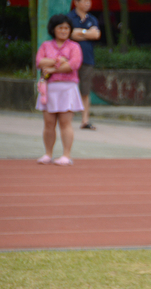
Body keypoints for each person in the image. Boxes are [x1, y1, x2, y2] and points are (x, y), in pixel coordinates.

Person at [35, 14, 83, 166]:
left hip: (67, 88)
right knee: (48, 123)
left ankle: (66, 155)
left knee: (65, 122)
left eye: (66, 28)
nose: (63, 31)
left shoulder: (74, 46)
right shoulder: (45, 45)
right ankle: (48, 154)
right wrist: (58, 61)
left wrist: (51, 69)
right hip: (49, 89)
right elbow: (39, 61)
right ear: (53, 29)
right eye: (60, 28)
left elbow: (73, 65)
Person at [68, 0, 101, 131]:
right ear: (76, 2)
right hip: (70, 60)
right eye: (85, 1)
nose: (88, 3)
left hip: (87, 59)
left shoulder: (92, 19)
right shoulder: (69, 18)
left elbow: (96, 34)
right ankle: (67, 119)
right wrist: (87, 33)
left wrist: (79, 33)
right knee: (70, 88)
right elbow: (69, 34)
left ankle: (85, 120)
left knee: (85, 91)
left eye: (89, 1)